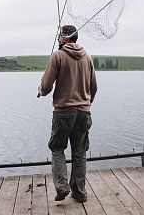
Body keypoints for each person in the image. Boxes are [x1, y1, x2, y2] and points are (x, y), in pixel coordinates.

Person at [38, 25, 97, 203]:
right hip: (84, 112)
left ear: (65, 38)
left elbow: (47, 87)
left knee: (57, 148)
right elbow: (94, 87)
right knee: (79, 152)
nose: (58, 39)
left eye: (59, 36)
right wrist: (86, 104)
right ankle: (79, 193)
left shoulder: (58, 56)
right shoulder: (87, 57)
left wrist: (41, 89)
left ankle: (62, 187)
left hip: (63, 112)